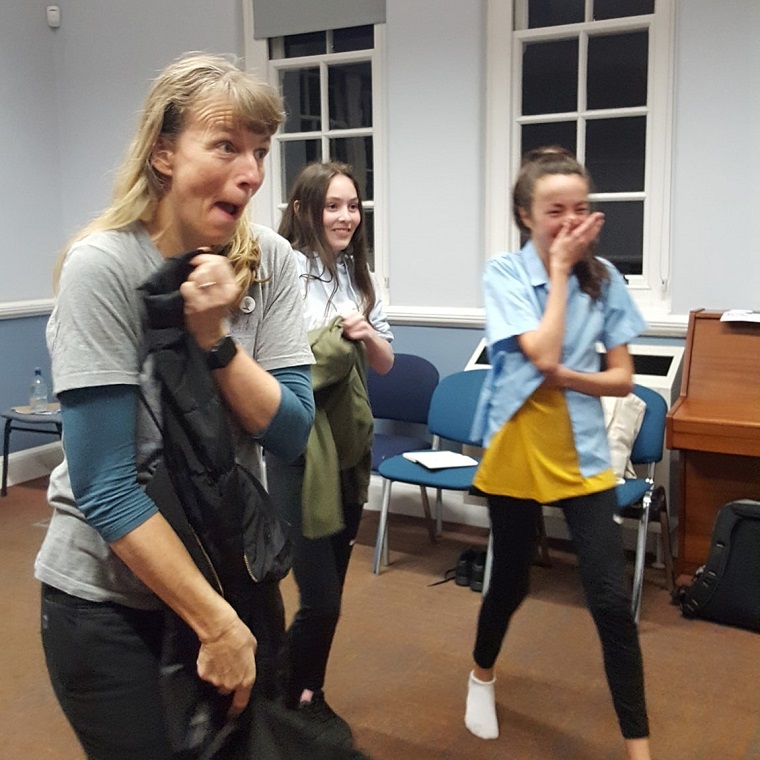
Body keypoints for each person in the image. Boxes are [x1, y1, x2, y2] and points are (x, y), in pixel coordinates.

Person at [35, 53, 316, 759]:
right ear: (162, 152)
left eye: (259, 152)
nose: (250, 172)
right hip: (108, 605)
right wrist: (215, 625)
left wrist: (214, 340)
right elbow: (104, 484)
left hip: (228, 574)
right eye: (226, 145)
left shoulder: (272, 261)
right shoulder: (104, 266)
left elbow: (290, 432)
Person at [464, 147, 652, 760]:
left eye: (581, 209)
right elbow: (542, 352)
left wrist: (570, 379)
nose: (570, 221)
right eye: (555, 210)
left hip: (583, 452)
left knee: (608, 600)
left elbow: (622, 378)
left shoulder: (610, 280)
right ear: (526, 215)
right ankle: (481, 675)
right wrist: (564, 272)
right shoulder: (505, 274)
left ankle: (638, 746)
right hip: (517, 443)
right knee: (511, 583)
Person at [266, 161, 394, 739]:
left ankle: (306, 692)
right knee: (320, 599)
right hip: (297, 446)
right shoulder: (281, 268)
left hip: (346, 446)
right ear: (302, 210)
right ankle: (280, 698)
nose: (345, 216)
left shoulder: (362, 276)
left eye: (353, 205)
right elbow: (275, 363)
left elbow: (385, 364)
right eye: (332, 206)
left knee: (331, 593)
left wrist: (364, 334)